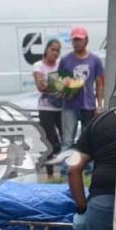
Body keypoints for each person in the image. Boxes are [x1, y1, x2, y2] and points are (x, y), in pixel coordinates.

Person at [58, 26, 105, 150]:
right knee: (67, 140)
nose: (77, 43)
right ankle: (65, 169)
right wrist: (67, 88)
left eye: (79, 40)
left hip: (88, 105)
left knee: (87, 140)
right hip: (69, 106)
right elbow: (59, 84)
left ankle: (87, 168)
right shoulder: (65, 60)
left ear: (86, 40)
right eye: (74, 40)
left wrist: (99, 105)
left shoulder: (95, 60)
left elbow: (100, 83)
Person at [32, 39, 63, 178]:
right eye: (53, 49)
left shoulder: (61, 64)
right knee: (49, 140)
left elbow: (67, 83)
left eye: (58, 50)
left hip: (62, 108)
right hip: (46, 109)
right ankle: (50, 173)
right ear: (46, 49)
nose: (55, 53)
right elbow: (40, 86)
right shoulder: (38, 66)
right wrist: (57, 85)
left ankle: (65, 171)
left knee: (66, 138)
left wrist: (49, 84)